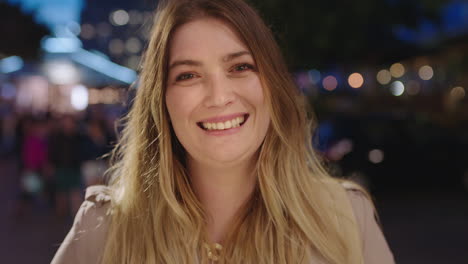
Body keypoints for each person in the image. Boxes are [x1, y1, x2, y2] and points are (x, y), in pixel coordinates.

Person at [52, 0, 395, 263]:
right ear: (162, 101)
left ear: (272, 86)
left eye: (240, 67)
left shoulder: (348, 219)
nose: (219, 97)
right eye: (188, 75)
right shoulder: (102, 230)